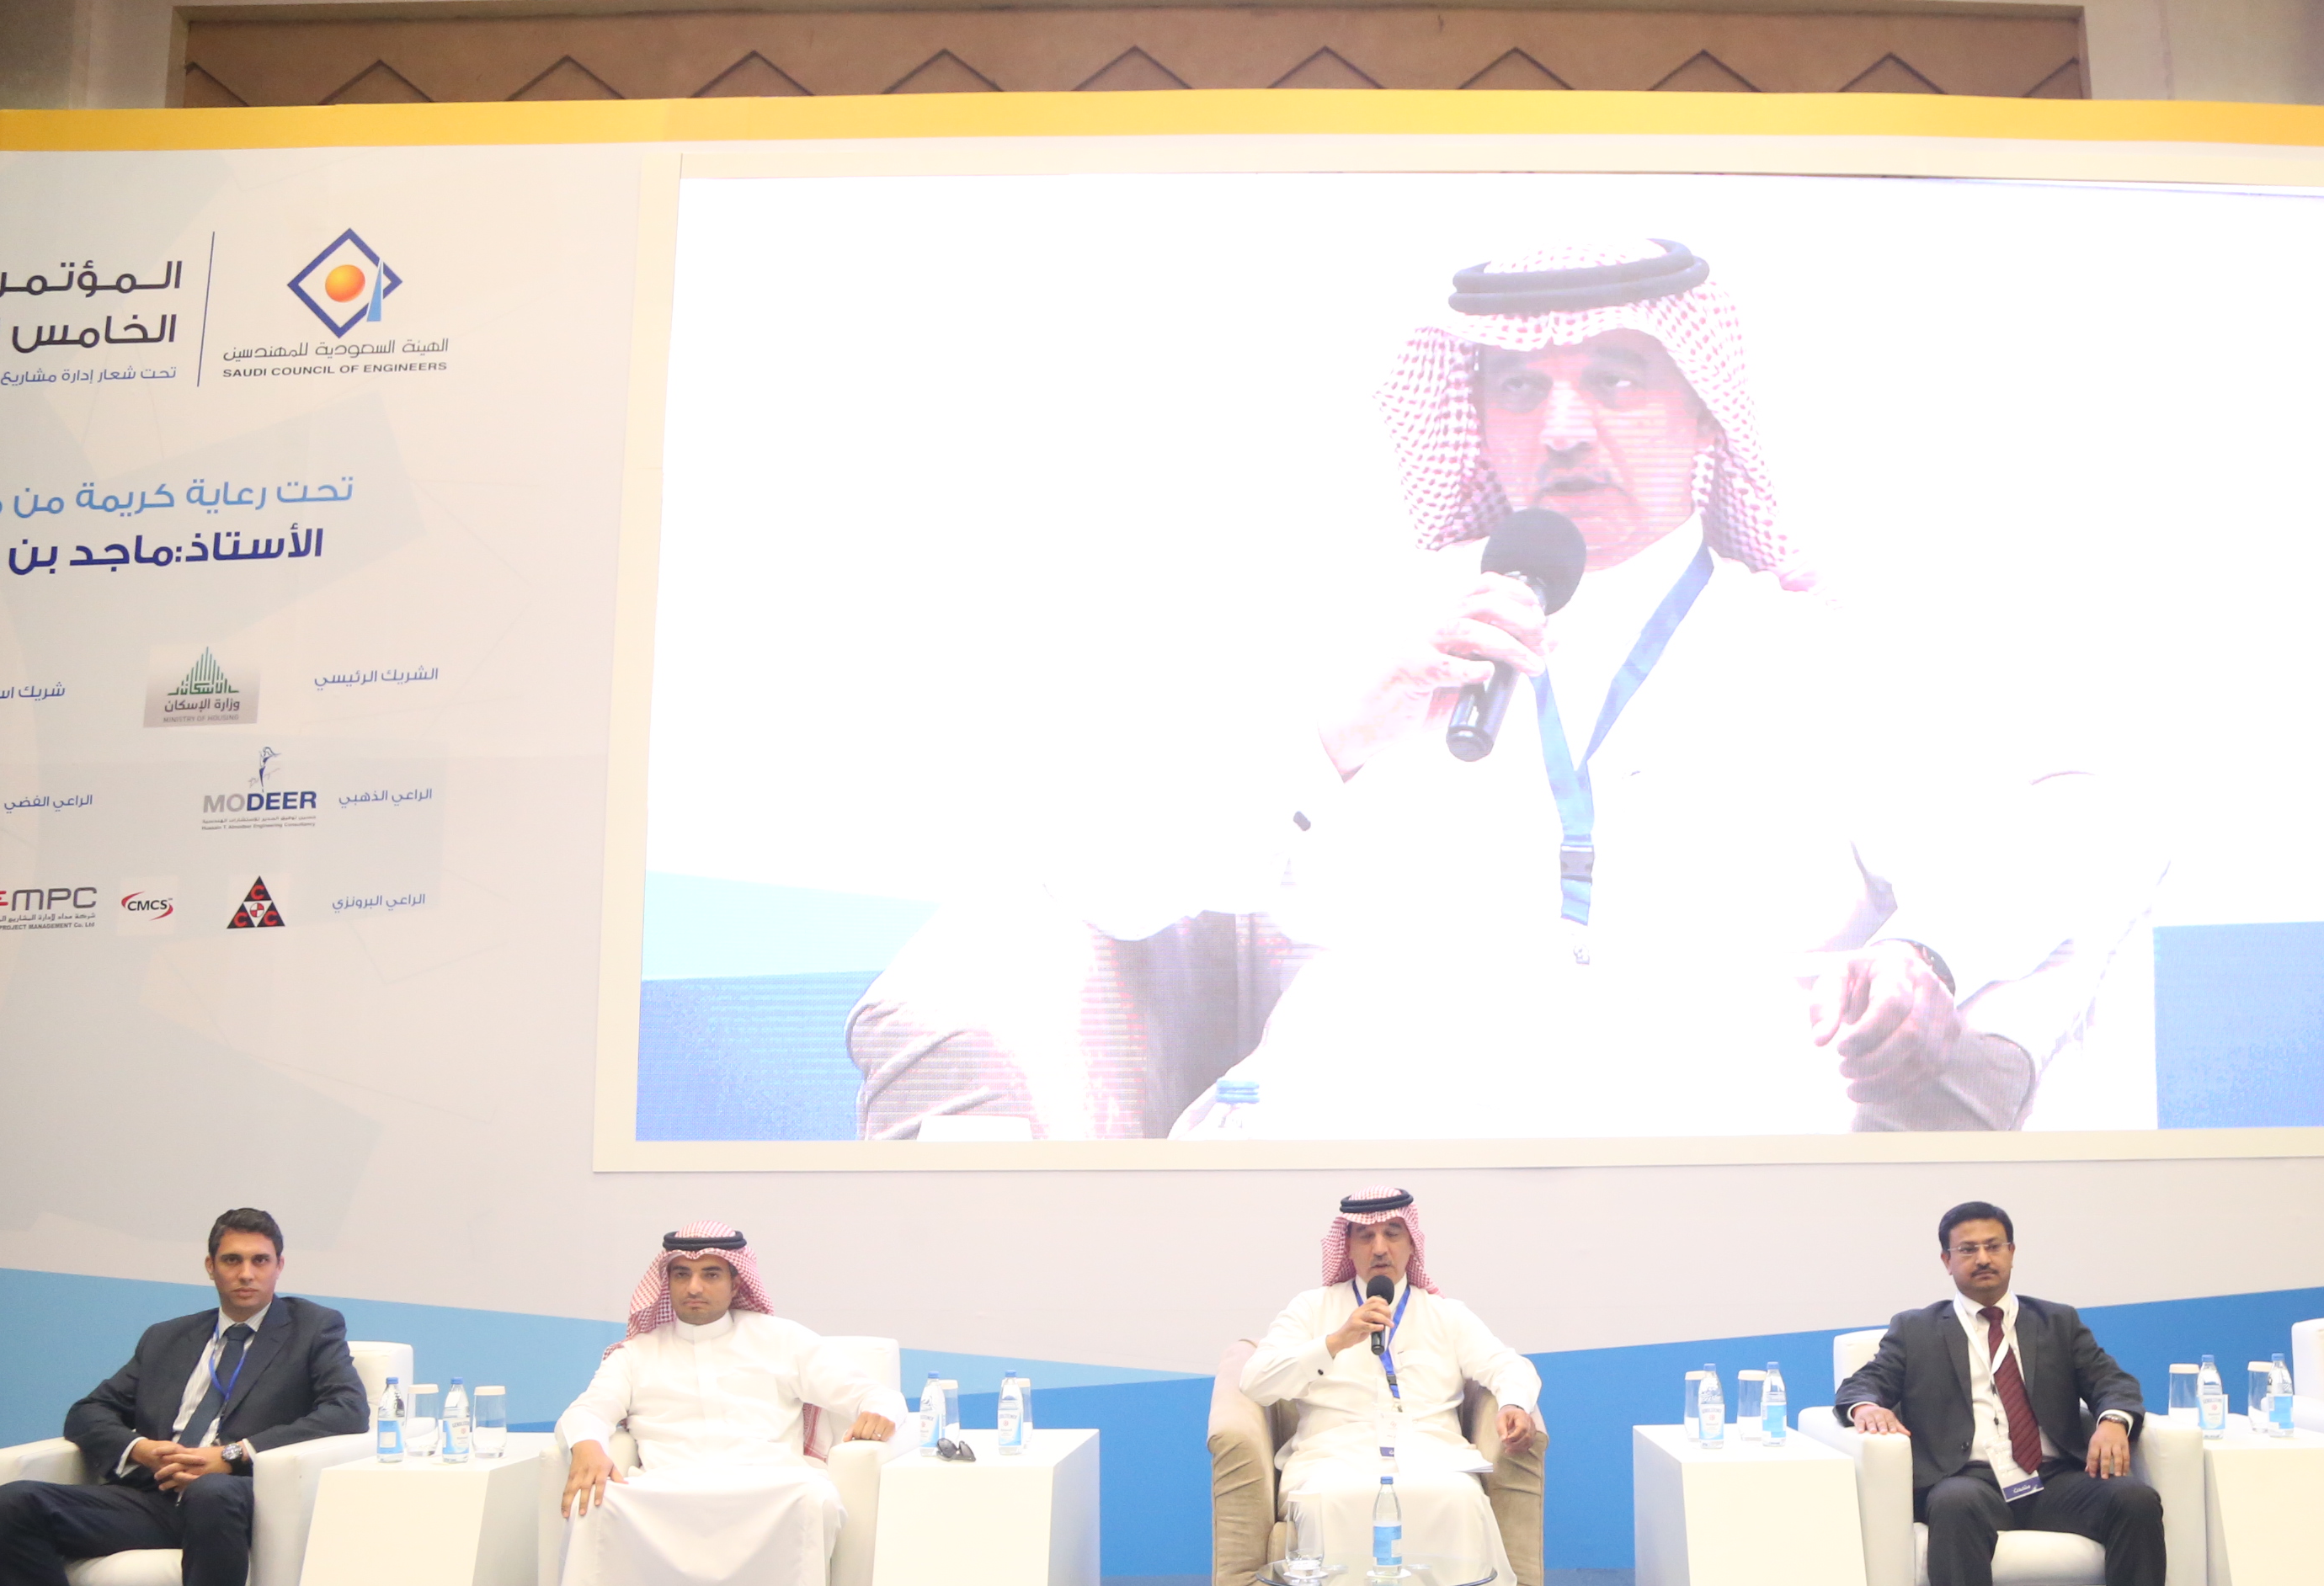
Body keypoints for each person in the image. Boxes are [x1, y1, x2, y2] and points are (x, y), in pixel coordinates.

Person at [850, 235, 2156, 1142]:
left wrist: (1925, 956)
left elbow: (2058, 832)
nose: (1566, 427)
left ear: (1704, 416)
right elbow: (1106, 880)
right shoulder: (1366, 634)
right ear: (1476, 422)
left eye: (1617, 382)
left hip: (1698, 1151)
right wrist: (1332, 737)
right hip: (1353, 1168)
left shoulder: (1813, 652)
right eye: (1523, 388)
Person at [0, 1208, 367, 1586]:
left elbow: (347, 1411)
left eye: (260, 1261)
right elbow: (87, 1412)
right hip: (152, 1498)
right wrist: (141, 1448)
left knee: (210, 1496)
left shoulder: (314, 1328)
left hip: (236, 1499)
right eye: (232, 1260)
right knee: (9, 1505)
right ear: (210, 1267)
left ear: (280, 1266)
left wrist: (230, 1457)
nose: (246, 1274)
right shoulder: (168, 1338)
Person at [1831, 1199, 2192, 1586]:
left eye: (1993, 1246)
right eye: (1968, 1249)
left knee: (2135, 1500)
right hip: (1969, 1478)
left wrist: (2113, 1422)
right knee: (1952, 1505)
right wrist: (1866, 1408)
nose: (1983, 1258)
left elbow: (2112, 1382)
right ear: (1947, 1261)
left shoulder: (2058, 1322)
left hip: (2053, 1478)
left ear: (2012, 1252)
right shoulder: (1916, 1329)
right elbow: (1862, 1384)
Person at [546, 1225, 904, 1586]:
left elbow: (870, 1393)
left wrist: (880, 1411)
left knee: (809, 1501)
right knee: (599, 1507)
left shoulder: (783, 1340)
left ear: (737, 1282)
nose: (695, 1287)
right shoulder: (636, 1353)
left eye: (711, 1274)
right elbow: (588, 1410)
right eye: (682, 1274)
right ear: (665, 1282)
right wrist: (588, 1445)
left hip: (765, 1483)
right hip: (668, 1486)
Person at [1238, 1189, 1539, 1586]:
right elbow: (1256, 1380)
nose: (1380, 1247)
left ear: (1411, 1243)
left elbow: (1508, 1364)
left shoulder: (1445, 1314)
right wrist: (1336, 1341)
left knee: (1459, 1499)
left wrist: (1514, 1403)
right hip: (1334, 1456)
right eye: (1366, 1236)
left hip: (1431, 1456)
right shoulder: (1313, 1309)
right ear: (1347, 1246)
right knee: (1332, 1500)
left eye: (1392, 1233)